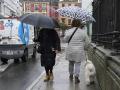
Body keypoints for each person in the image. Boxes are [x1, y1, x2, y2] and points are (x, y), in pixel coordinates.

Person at [64, 19, 90, 84]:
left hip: (70, 50)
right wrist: (85, 48)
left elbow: (65, 40)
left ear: (72, 24)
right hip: (79, 51)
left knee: (71, 63)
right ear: (79, 24)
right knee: (78, 64)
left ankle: (71, 75)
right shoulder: (83, 32)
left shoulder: (68, 31)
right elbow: (87, 42)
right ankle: (76, 77)